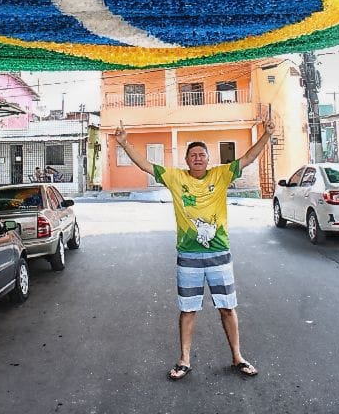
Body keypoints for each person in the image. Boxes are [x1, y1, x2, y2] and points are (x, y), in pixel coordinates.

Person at [114, 117, 276, 381]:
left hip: (220, 253)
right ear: (187, 161)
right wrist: (124, 143)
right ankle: (184, 359)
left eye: (202, 155)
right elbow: (145, 165)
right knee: (188, 309)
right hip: (188, 255)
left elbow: (247, 157)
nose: (198, 158)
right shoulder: (176, 178)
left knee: (227, 308)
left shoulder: (221, 174)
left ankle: (237, 356)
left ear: (208, 159)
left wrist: (266, 135)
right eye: (193, 155)